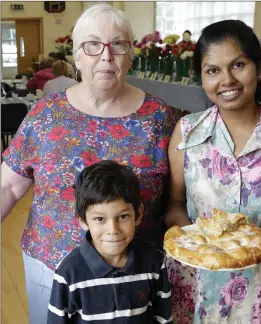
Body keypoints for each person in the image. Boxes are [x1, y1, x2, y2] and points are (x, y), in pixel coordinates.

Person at [1, 4, 175, 323]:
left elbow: (177, 198)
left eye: (118, 44)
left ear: (130, 54)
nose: (106, 56)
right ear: (77, 57)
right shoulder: (45, 115)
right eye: (92, 45)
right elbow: (8, 186)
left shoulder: (159, 117)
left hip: (137, 276)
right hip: (52, 268)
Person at [165, 20, 261, 323]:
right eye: (213, 70)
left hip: (259, 281)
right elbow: (175, 205)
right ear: (202, 78)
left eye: (238, 65)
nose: (227, 80)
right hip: (195, 278)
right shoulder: (187, 132)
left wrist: (241, 249)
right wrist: (205, 249)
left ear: (258, 69)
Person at [47, 160, 173, 324]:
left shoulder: (154, 262)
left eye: (123, 217)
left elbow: (163, 318)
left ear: (139, 214)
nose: (113, 229)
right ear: (83, 220)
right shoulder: (68, 272)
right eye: (100, 219)